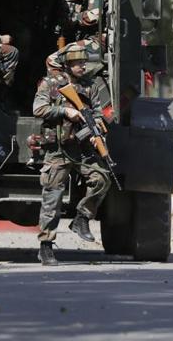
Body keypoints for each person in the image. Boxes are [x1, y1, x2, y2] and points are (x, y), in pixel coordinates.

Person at [33, 44, 112, 266]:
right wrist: (65, 111)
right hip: (57, 149)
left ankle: (82, 218)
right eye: (78, 63)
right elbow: (38, 109)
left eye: (84, 63)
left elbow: (97, 113)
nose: (82, 66)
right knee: (53, 198)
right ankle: (46, 246)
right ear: (67, 65)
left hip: (81, 148)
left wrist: (95, 130)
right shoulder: (51, 83)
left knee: (102, 178)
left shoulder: (90, 86)